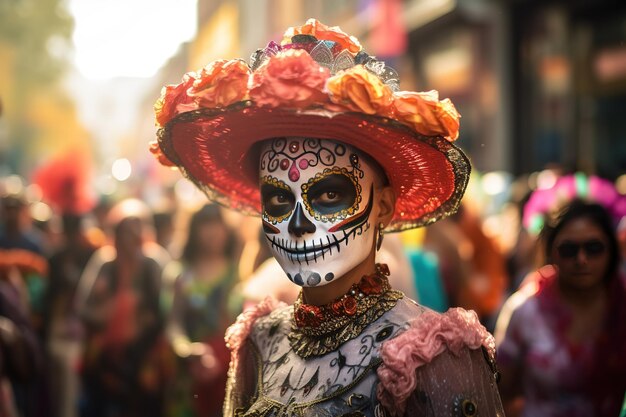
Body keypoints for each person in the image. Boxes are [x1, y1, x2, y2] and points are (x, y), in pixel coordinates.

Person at [150, 19, 503, 416]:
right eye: (279, 200)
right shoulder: (259, 340)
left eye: (329, 194)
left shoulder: (433, 354)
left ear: (383, 205)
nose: (298, 224)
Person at [496, 200, 626, 416]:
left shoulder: (622, 305)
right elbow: (500, 392)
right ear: (552, 252)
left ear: (611, 251)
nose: (581, 259)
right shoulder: (525, 310)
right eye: (569, 250)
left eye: (594, 248)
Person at [78, 199, 169, 417]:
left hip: (145, 356)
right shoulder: (105, 262)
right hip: (106, 359)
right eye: (125, 231)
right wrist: (106, 312)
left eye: (137, 230)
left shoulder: (154, 263)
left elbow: (166, 310)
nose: (131, 237)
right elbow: (82, 309)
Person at [164, 204, 242, 417]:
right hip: (190, 374)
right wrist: (186, 349)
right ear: (194, 230)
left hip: (230, 373)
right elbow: (173, 323)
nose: (213, 231)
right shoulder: (182, 275)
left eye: (218, 224)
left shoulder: (240, 271)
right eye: (206, 224)